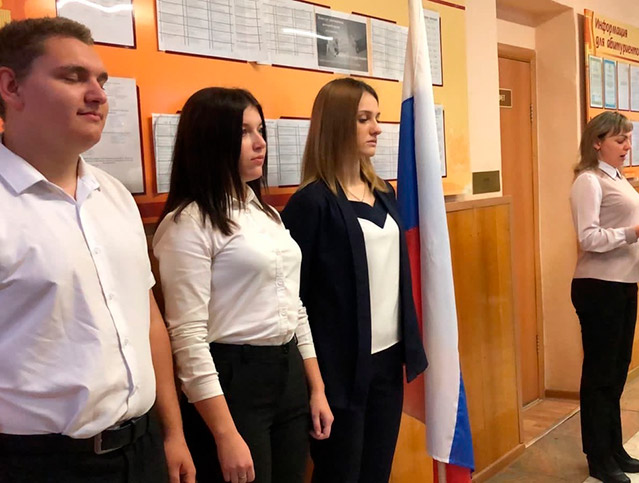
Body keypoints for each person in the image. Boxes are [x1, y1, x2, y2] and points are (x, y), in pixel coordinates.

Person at [0, 17, 194, 483]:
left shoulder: (114, 195)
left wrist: (172, 433)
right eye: (73, 77)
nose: (99, 95)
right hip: (39, 464)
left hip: (142, 449)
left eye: (101, 81)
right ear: (11, 86)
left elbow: (147, 320)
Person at [153, 87, 333, 483]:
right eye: (244, 132)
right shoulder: (189, 223)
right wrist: (224, 433)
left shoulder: (266, 213)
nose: (260, 142)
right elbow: (187, 337)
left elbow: (294, 306)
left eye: (260, 129)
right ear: (210, 140)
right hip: (232, 383)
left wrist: (316, 387)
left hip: (287, 370)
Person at [282, 77, 428, 483]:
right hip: (339, 368)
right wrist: (314, 383)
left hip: (388, 359)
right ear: (336, 124)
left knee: (377, 471)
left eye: (376, 117)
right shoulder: (310, 204)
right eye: (364, 119)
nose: (377, 128)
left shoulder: (383, 193)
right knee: (340, 473)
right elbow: (294, 299)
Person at [570, 111, 639, 483]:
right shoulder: (588, 180)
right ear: (597, 142)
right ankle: (598, 457)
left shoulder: (618, 178)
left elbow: (626, 227)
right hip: (598, 286)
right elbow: (588, 238)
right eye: (620, 140)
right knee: (600, 375)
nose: (628, 146)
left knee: (616, 373)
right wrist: (636, 232)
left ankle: (614, 448)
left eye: (629, 139)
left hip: (624, 283)